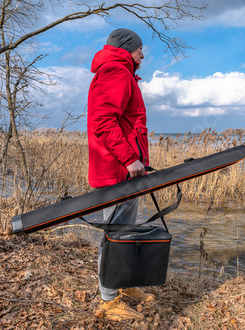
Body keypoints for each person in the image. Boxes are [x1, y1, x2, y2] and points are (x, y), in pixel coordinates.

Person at [87, 28, 154, 322]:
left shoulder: (119, 72)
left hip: (123, 171)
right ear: (128, 49)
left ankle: (123, 286)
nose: (143, 55)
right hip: (117, 171)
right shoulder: (116, 71)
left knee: (125, 232)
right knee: (115, 236)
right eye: (141, 50)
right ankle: (108, 301)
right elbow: (102, 120)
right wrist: (129, 159)